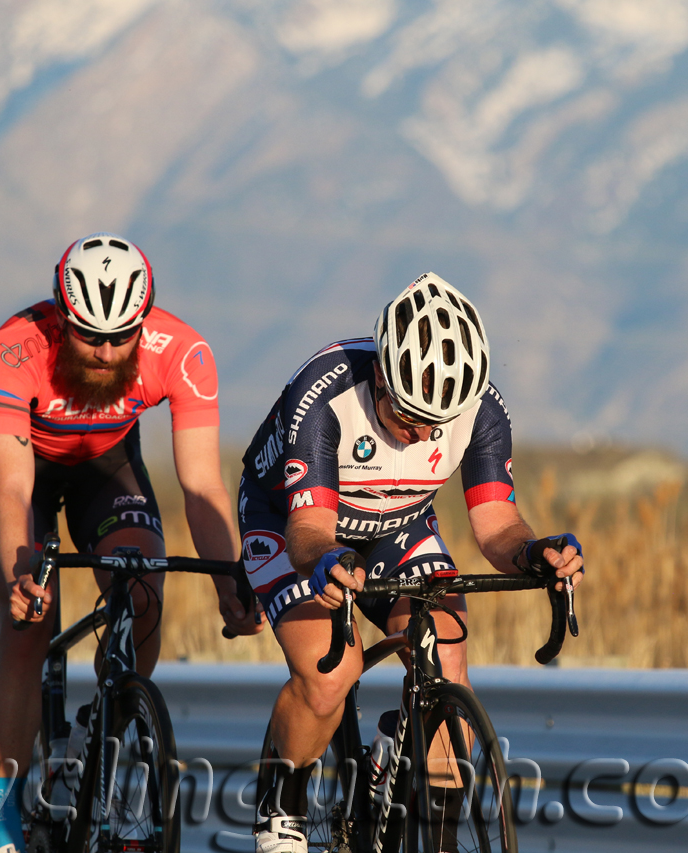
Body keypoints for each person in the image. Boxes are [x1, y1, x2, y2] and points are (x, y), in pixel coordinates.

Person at [230, 272, 584, 853]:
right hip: (292, 522)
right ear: (379, 377)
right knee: (329, 676)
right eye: (408, 417)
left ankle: (434, 829)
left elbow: (496, 525)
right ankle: (282, 808)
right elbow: (310, 530)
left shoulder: (483, 410)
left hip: (397, 526)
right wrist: (326, 564)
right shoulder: (325, 393)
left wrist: (534, 553)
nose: (422, 433)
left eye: (436, 424)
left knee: (447, 662)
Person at [0, 233, 245, 853]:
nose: (105, 350)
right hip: (24, 469)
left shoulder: (184, 352)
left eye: (122, 336)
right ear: (64, 320)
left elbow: (202, 486)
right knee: (28, 626)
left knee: (144, 585)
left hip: (107, 466)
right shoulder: (13, 350)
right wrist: (21, 575)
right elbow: (12, 489)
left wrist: (232, 584)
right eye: (89, 335)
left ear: (142, 325)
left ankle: (109, 723)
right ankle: (5, 819)